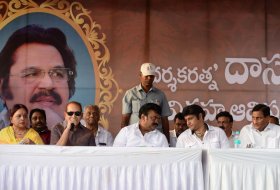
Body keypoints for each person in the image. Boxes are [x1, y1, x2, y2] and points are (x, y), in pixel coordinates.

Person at [0, 24, 77, 129]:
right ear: (3, 88)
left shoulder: (86, 133)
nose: (48, 84)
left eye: (57, 74)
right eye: (31, 74)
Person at [121, 63, 172, 141]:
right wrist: (123, 138)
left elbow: (164, 120)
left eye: (151, 76)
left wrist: (167, 141)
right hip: (135, 136)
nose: (149, 78)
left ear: (154, 77)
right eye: (146, 76)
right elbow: (125, 119)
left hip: (155, 137)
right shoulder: (130, 93)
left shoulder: (160, 95)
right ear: (140, 75)